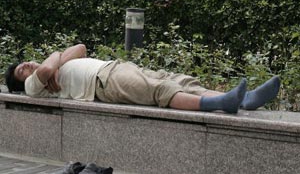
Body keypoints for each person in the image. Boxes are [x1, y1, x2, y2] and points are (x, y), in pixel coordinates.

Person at [5, 44, 280, 114]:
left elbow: (80, 48)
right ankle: (220, 104)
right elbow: (43, 70)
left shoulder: (53, 68)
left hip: (113, 69)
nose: (27, 66)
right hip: (102, 83)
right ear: (23, 82)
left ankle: (244, 100)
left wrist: (57, 62)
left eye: (24, 64)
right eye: (22, 70)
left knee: (178, 79)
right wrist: (52, 59)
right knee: (158, 89)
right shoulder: (32, 87)